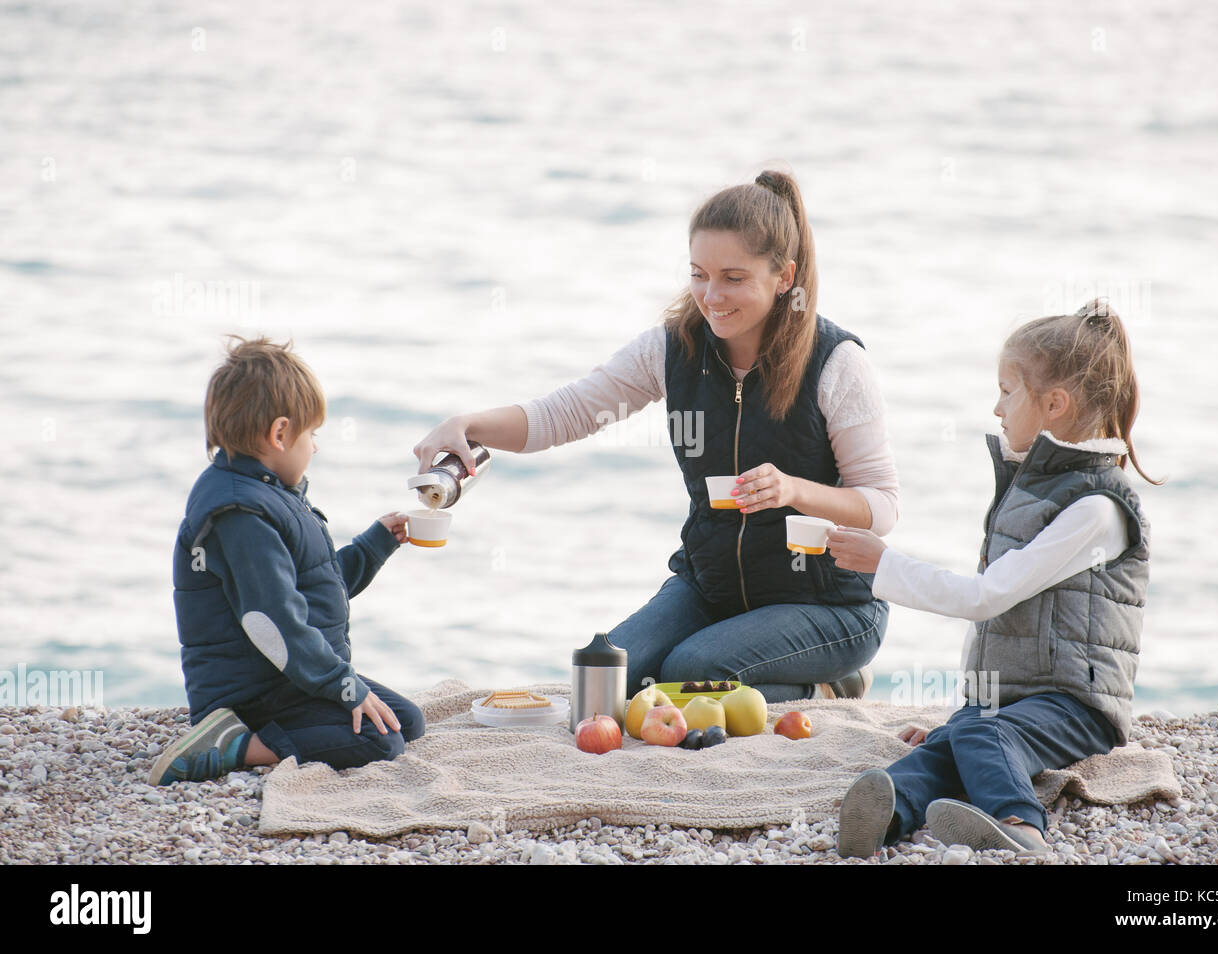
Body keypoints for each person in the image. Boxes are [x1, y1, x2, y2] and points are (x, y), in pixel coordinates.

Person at [413, 169, 899, 703]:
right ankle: (768, 672)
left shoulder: (835, 362)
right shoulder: (674, 349)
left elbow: (881, 506)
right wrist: (468, 424)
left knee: (689, 671)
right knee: (603, 680)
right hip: (711, 588)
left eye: (733, 278)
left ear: (784, 277)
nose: (711, 297)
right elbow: (568, 411)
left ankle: (826, 687)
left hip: (830, 606)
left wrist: (795, 490)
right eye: (699, 274)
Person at [829, 299, 1160, 857]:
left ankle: (1021, 825)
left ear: (1054, 404)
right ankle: (889, 812)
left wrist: (883, 562)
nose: (996, 406)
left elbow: (985, 597)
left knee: (981, 732)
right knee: (945, 743)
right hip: (1013, 699)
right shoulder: (1034, 487)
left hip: (1078, 705)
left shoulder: (1096, 509)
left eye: (1007, 390)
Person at [151, 336, 424, 786]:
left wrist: (376, 544)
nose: (315, 447)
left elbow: (314, 588)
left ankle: (274, 730)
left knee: (406, 721)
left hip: (286, 679)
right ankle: (230, 745)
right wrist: (343, 685)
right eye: (311, 434)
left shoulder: (268, 496)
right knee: (379, 743)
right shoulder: (240, 515)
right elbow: (272, 622)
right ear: (279, 434)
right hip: (252, 693)